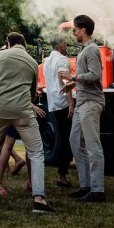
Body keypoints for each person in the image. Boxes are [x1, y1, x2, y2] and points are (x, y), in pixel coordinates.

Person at [0, 32, 53, 214]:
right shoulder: (32, 62)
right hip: (22, 111)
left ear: (8, 43)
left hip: (0, 109)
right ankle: (38, 198)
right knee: (36, 152)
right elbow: (32, 92)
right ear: (24, 44)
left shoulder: (0, 56)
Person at [61, 14, 106, 203]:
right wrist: (73, 86)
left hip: (90, 102)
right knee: (75, 142)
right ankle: (86, 185)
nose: (73, 32)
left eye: (75, 29)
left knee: (92, 145)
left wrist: (73, 78)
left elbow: (95, 75)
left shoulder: (92, 50)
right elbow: (87, 76)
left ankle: (97, 190)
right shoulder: (85, 50)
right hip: (82, 102)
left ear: (83, 30)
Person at [43, 35, 74, 187]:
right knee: (67, 138)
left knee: (62, 136)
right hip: (62, 101)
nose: (66, 47)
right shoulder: (62, 59)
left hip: (53, 102)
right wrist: (71, 103)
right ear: (60, 44)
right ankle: (62, 175)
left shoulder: (47, 61)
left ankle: (62, 173)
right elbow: (65, 80)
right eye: (65, 44)